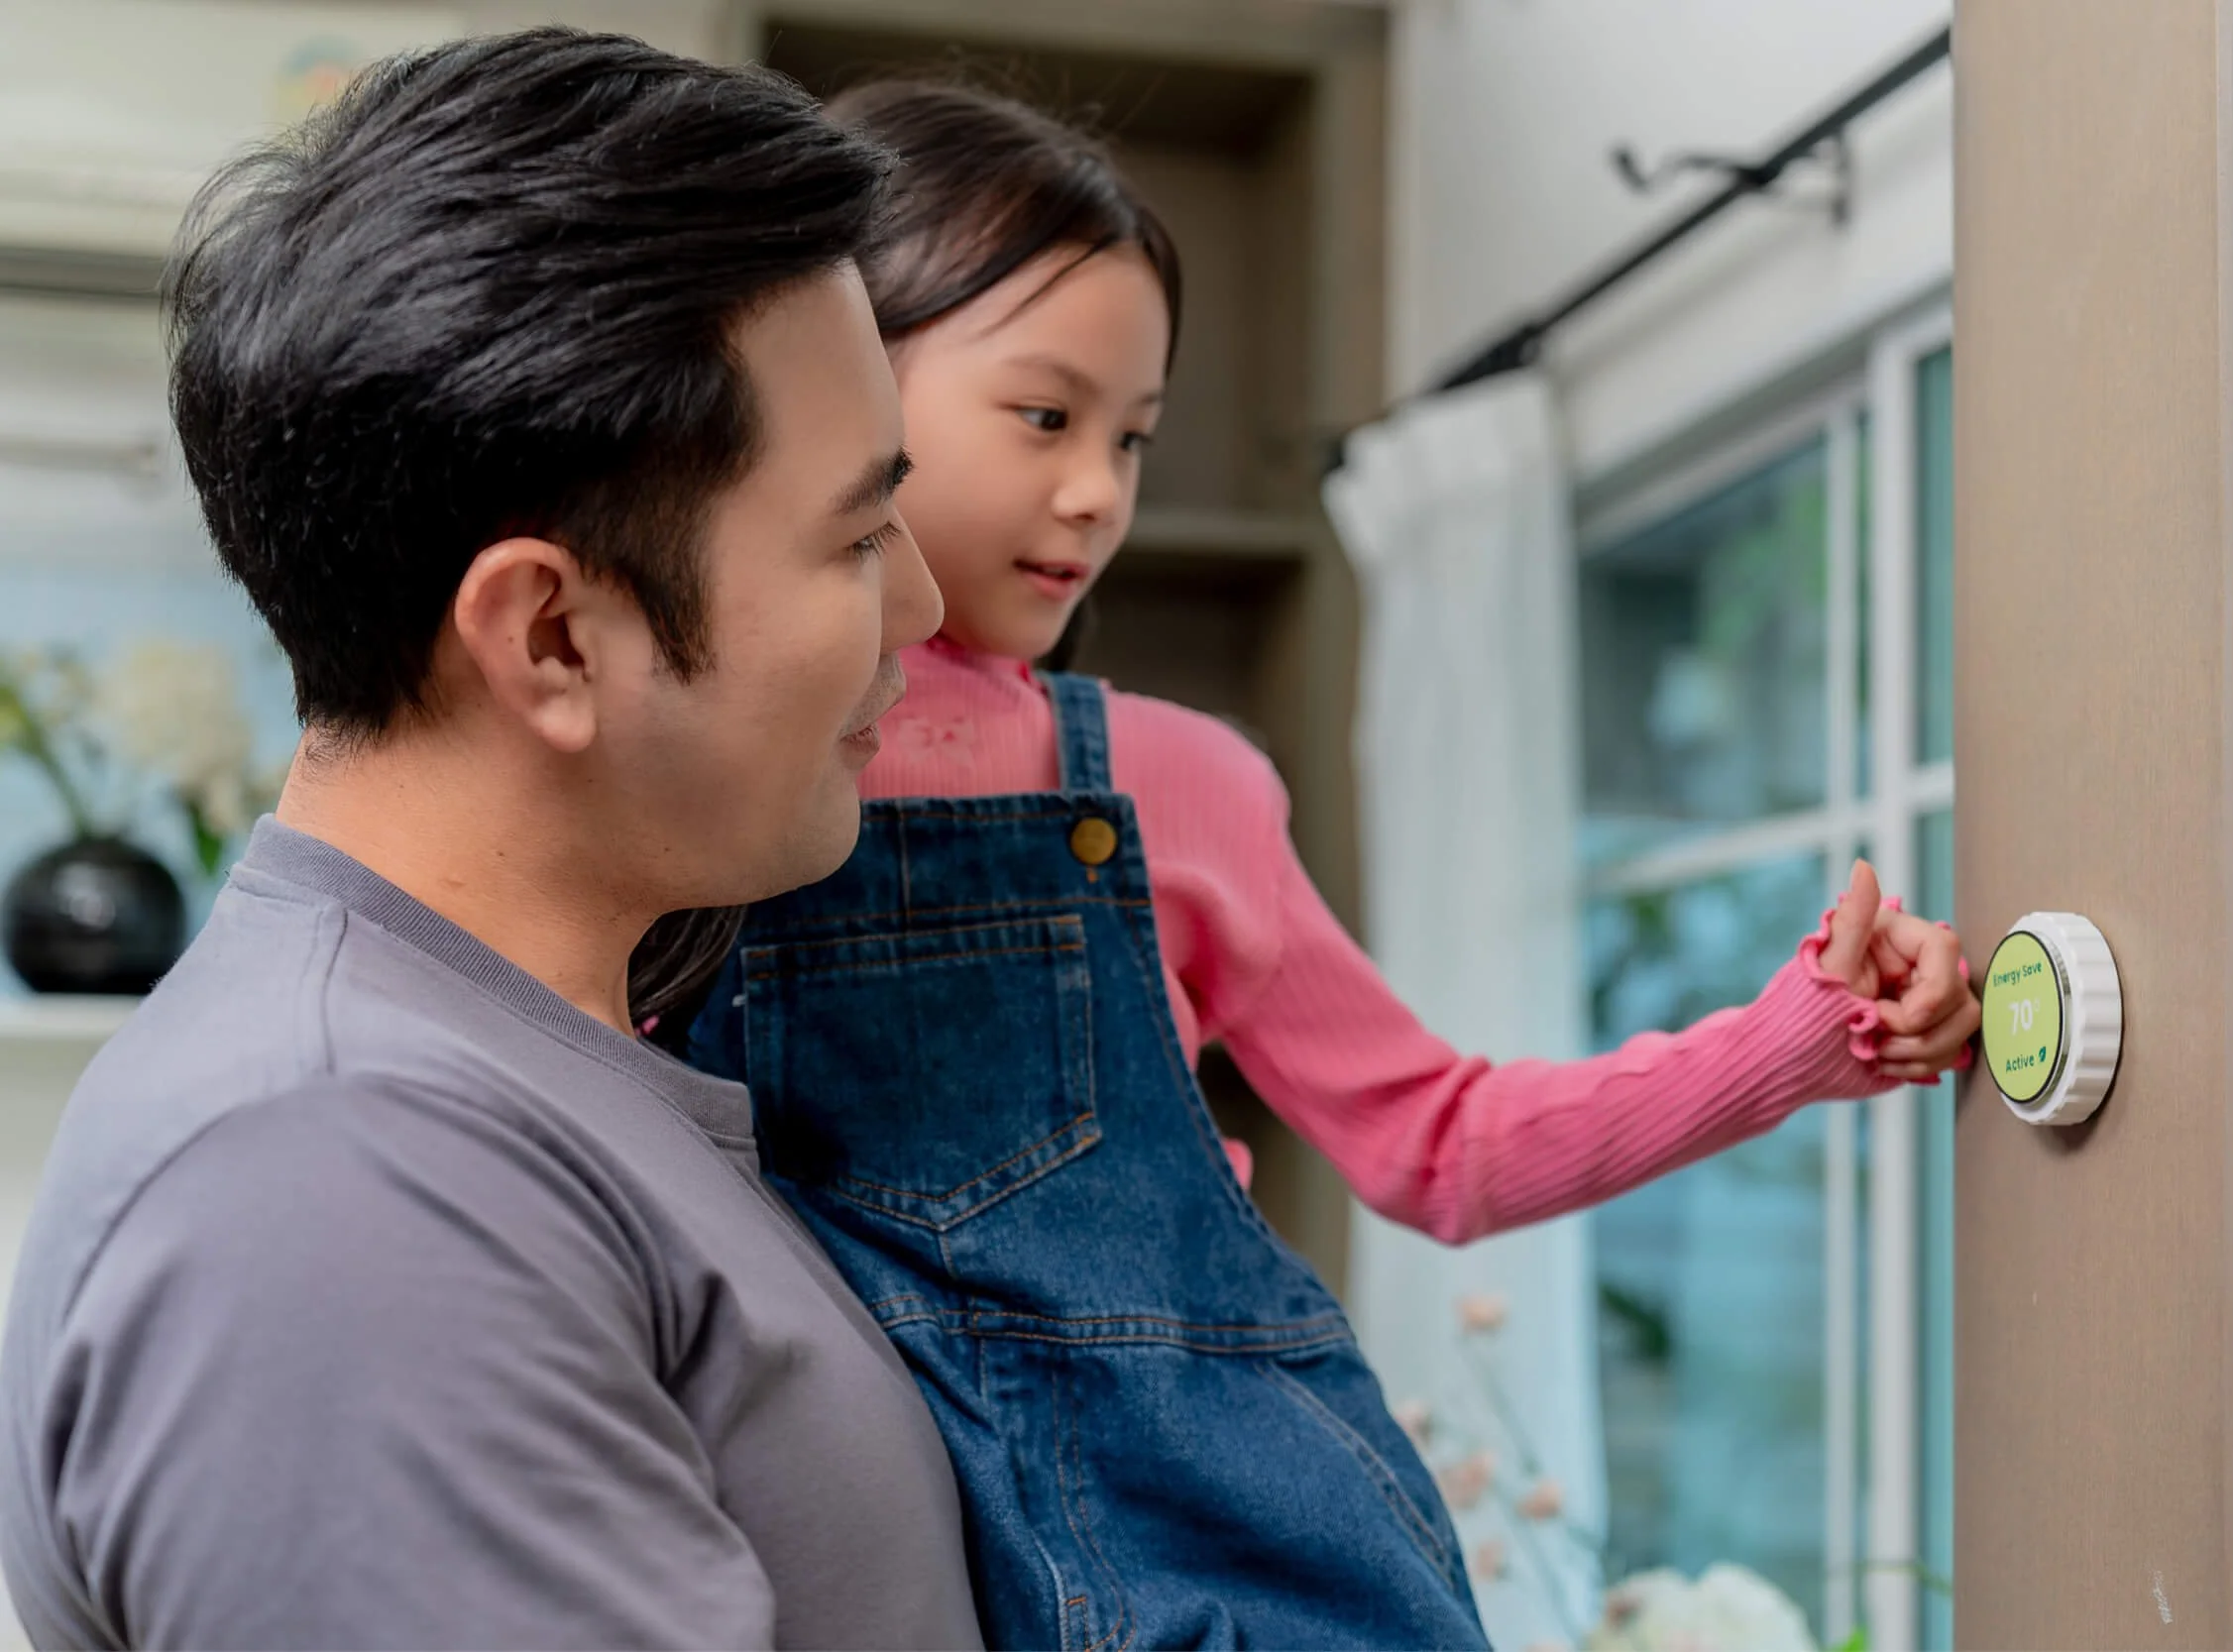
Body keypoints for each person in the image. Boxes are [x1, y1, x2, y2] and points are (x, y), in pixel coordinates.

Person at [669, 82, 1984, 1649]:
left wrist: (1793, 1042)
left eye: (1134, 436)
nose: (1098, 491)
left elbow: (1443, 1142)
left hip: (1218, 1531)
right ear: (839, 382)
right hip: (840, 1544)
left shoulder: (1177, 784)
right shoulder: (701, 768)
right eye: (1045, 415)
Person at [0, 31, 978, 1650]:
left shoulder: (493, 1084)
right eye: (859, 534)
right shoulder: (340, 1185)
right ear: (550, 635)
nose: (926, 608)